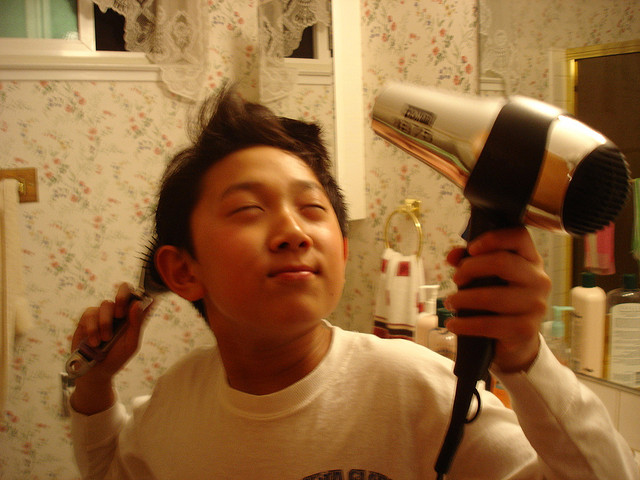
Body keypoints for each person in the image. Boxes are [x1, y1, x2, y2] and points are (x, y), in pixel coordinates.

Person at [69, 86, 639, 480]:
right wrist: (95, 386)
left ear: (341, 251)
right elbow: (111, 470)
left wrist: (525, 359)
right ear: (182, 271)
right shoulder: (174, 401)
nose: (293, 231)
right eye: (248, 210)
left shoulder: (417, 391)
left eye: (312, 209)